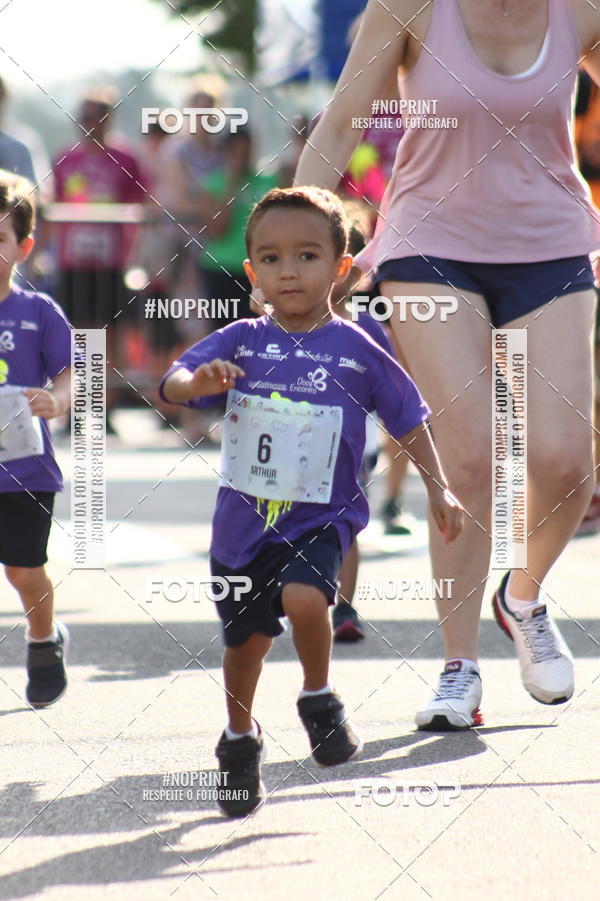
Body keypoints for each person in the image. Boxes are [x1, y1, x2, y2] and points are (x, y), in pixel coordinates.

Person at [295, 0, 600, 729]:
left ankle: (520, 597)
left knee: (566, 462)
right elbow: (341, 124)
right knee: (469, 458)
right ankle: (459, 668)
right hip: (431, 245)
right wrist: (302, 244)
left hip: (551, 243)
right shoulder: (410, 7)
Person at [160, 186, 463, 816]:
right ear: (252, 272)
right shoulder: (241, 340)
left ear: (341, 267)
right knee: (245, 647)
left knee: (306, 597)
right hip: (242, 527)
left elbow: (408, 417)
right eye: (271, 259)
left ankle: (318, 697)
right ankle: (239, 738)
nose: (289, 271)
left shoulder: (358, 347)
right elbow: (174, 382)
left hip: (322, 516)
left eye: (307, 255)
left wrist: (439, 485)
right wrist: (197, 383)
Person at [0, 171, 72, 707]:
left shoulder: (37, 311)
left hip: (25, 470)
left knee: (23, 571)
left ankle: (44, 639)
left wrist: (59, 399)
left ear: (23, 248)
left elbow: (75, 371)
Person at [52, 88, 146, 432]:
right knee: (76, 335)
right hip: (73, 262)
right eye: (84, 118)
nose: (90, 124)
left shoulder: (126, 159)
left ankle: (105, 407)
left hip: (110, 262)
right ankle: (75, 408)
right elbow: (53, 205)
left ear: (109, 119)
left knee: (108, 336)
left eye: (97, 117)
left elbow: (141, 205)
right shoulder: (65, 159)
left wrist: (135, 254)